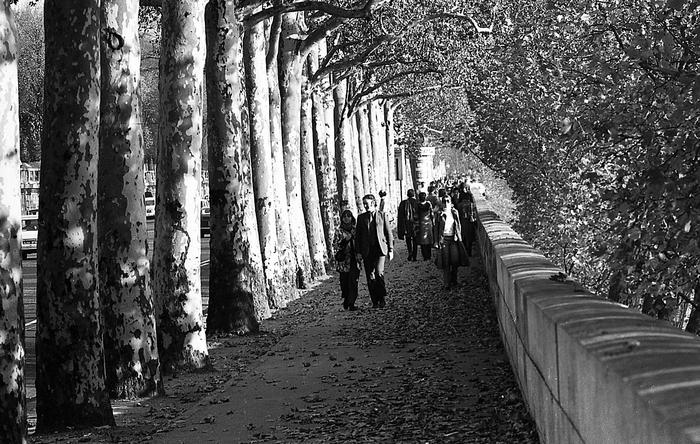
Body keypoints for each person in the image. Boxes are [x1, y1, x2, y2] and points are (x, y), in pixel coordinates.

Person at [355, 194, 393, 308]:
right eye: (364, 204)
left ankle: (382, 298)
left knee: (378, 273)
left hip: (380, 250)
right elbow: (358, 237)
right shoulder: (361, 218)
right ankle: (375, 300)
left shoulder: (382, 215)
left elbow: (388, 233)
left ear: (373, 203)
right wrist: (358, 252)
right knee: (370, 276)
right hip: (367, 251)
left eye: (367, 204)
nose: (366, 206)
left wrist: (390, 249)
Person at [434, 195, 468, 288]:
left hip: (453, 239)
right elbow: (436, 228)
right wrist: (436, 241)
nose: (446, 203)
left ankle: (454, 280)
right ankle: (446, 283)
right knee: (446, 262)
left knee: (455, 260)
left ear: (451, 202)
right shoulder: (439, 214)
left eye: (448, 201)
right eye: (444, 201)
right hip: (444, 239)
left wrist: (459, 237)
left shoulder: (454, 212)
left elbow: (458, 225)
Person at [333, 209, 361, 311]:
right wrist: (345, 240)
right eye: (344, 216)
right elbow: (335, 246)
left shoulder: (355, 230)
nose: (346, 218)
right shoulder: (339, 231)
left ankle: (351, 303)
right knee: (345, 282)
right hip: (344, 261)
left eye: (349, 216)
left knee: (354, 281)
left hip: (354, 260)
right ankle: (346, 299)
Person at [397, 189, 418, 261]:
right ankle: (414, 256)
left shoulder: (403, 203)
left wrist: (402, 227)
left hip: (407, 225)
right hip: (415, 225)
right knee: (415, 240)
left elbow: (400, 216)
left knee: (408, 240)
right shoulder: (416, 202)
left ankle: (410, 252)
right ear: (413, 194)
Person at [456, 191, 478, 256]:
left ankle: (464, 252)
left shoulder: (459, 205)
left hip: (462, 223)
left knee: (463, 238)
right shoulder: (471, 204)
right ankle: (469, 252)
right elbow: (474, 215)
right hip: (470, 224)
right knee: (470, 238)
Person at [414, 191, 434, 260]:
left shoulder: (417, 205)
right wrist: (433, 222)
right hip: (428, 224)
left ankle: (425, 256)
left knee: (423, 242)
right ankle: (429, 255)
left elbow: (416, 216)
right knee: (429, 240)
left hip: (421, 224)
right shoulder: (429, 204)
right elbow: (432, 214)